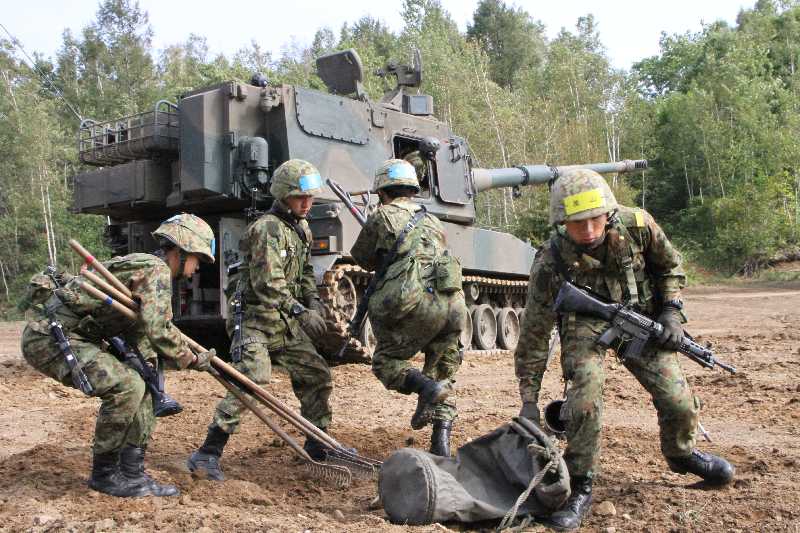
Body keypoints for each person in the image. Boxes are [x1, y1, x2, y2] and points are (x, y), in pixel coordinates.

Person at [514, 169, 735, 530]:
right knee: (583, 399)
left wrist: (671, 312)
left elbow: (671, 267)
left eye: (594, 219)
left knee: (678, 400)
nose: (587, 231)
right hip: (585, 324)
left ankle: (681, 454)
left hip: (640, 317)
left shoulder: (638, 226)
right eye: (576, 223)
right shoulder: (550, 259)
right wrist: (528, 399)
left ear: (609, 213)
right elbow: (534, 332)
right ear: (561, 223)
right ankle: (581, 483)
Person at [19, 213, 217, 498]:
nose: (197, 267)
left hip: (74, 336)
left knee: (145, 388)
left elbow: (143, 335)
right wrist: (192, 359)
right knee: (126, 386)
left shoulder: (150, 271)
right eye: (197, 258)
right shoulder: (156, 270)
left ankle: (132, 473)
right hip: (49, 336)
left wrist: (152, 373)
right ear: (181, 250)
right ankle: (105, 474)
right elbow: (158, 329)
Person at [187, 159, 336, 480]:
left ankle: (317, 444)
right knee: (252, 378)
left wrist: (311, 300)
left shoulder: (302, 228)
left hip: (282, 320)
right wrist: (300, 312)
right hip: (254, 319)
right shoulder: (266, 229)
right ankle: (207, 453)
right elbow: (268, 284)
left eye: (310, 198)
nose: (307, 204)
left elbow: (306, 272)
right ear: (283, 196)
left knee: (316, 374)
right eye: (301, 198)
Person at [350, 158, 468, 457]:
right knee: (444, 368)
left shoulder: (381, 216)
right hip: (452, 304)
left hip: (413, 303)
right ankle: (440, 444)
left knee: (385, 362)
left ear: (382, 192)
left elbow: (363, 258)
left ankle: (425, 388)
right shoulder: (432, 219)